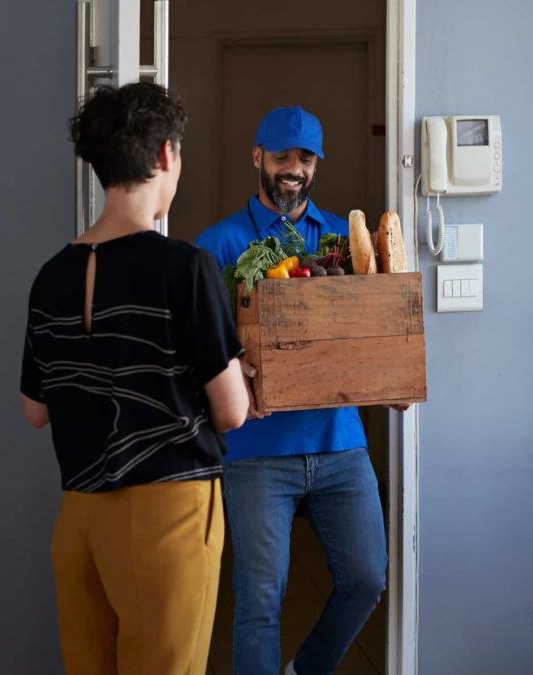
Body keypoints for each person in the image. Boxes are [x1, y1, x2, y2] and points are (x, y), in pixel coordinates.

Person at [19, 82, 249, 675]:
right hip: (167, 515)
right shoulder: (186, 266)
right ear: (167, 154)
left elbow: (35, 409)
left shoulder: (51, 276)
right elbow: (231, 412)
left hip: (78, 520)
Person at [195, 106, 388, 675]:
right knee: (259, 602)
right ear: (257, 157)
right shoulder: (220, 243)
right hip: (256, 450)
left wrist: (389, 375)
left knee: (367, 578)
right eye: (282, 157)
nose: (293, 170)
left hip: (340, 443)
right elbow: (198, 346)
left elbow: (369, 333)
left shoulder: (342, 242)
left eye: (305, 159)